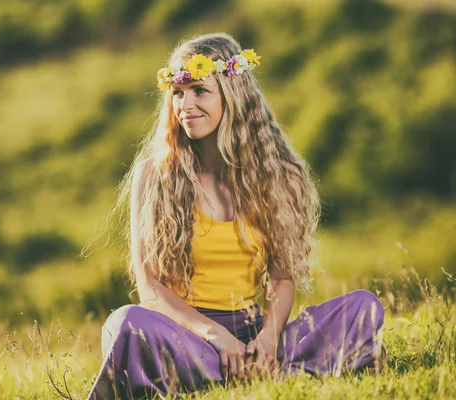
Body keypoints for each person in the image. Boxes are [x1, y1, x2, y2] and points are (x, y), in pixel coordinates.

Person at [84, 33, 385, 400]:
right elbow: (150, 288)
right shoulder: (155, 175)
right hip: (186, 336)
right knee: (126, 324)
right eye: (177, 93)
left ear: (232, 93)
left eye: (199, 90)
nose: (185, 105)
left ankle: (242, 369)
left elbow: (281, 275)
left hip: (252, 336)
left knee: (362, 308)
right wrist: (215, 336)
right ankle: (242, 372)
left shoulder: (280, 174)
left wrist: (269, 339)